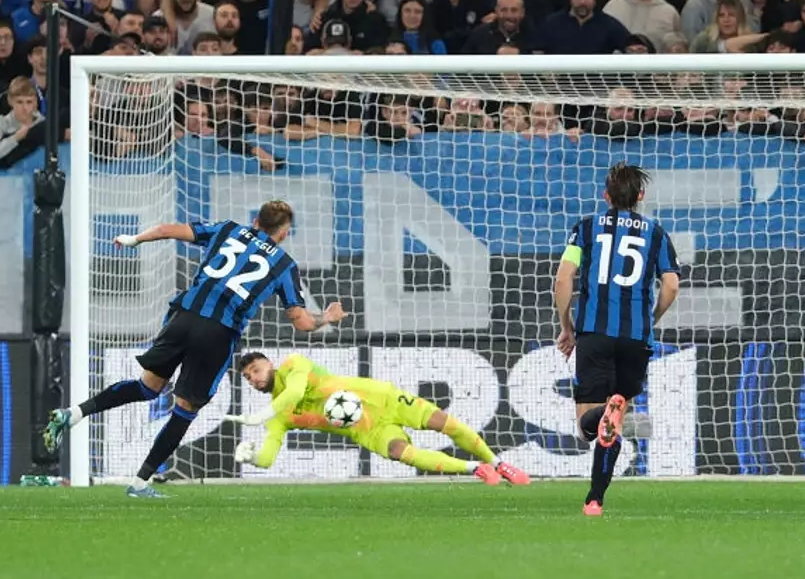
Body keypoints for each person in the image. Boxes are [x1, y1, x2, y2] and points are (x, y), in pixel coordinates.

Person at [41, 201, 347, 498]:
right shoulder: (283, 264)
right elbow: (301, 321)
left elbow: (165, 230)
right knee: (185, 410)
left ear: (256, 222)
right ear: (283, 233)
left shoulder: (227, 229)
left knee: (148, 388)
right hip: (218, 331)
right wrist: (327, 318)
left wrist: (133, 239)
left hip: (183, 317)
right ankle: (139, 482)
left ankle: (73, 413)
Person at [555, 163, 679, 515]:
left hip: (594, 333)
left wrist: (567, 326)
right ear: (641, 196)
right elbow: (671, 284)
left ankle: (596, 492)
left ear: (605, 195)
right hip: (635, 339)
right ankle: (594, 498)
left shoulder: (586, 228)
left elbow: (562, 281)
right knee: (616, 419)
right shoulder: (656, 233)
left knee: (587, 427)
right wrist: (651, 319)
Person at [229, 352, 531, 485]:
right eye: (247, 377)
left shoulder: (295, 365)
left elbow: (294, 391)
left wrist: (260, 414)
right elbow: (269, 457)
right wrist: (253, 457)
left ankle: (498, 462)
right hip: (369, 430)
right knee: (403, 454)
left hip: (383, 398)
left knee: (446, 424)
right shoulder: (279, 418)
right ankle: (475, 468)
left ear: (269, 363)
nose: (253, 379)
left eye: (255, 370)